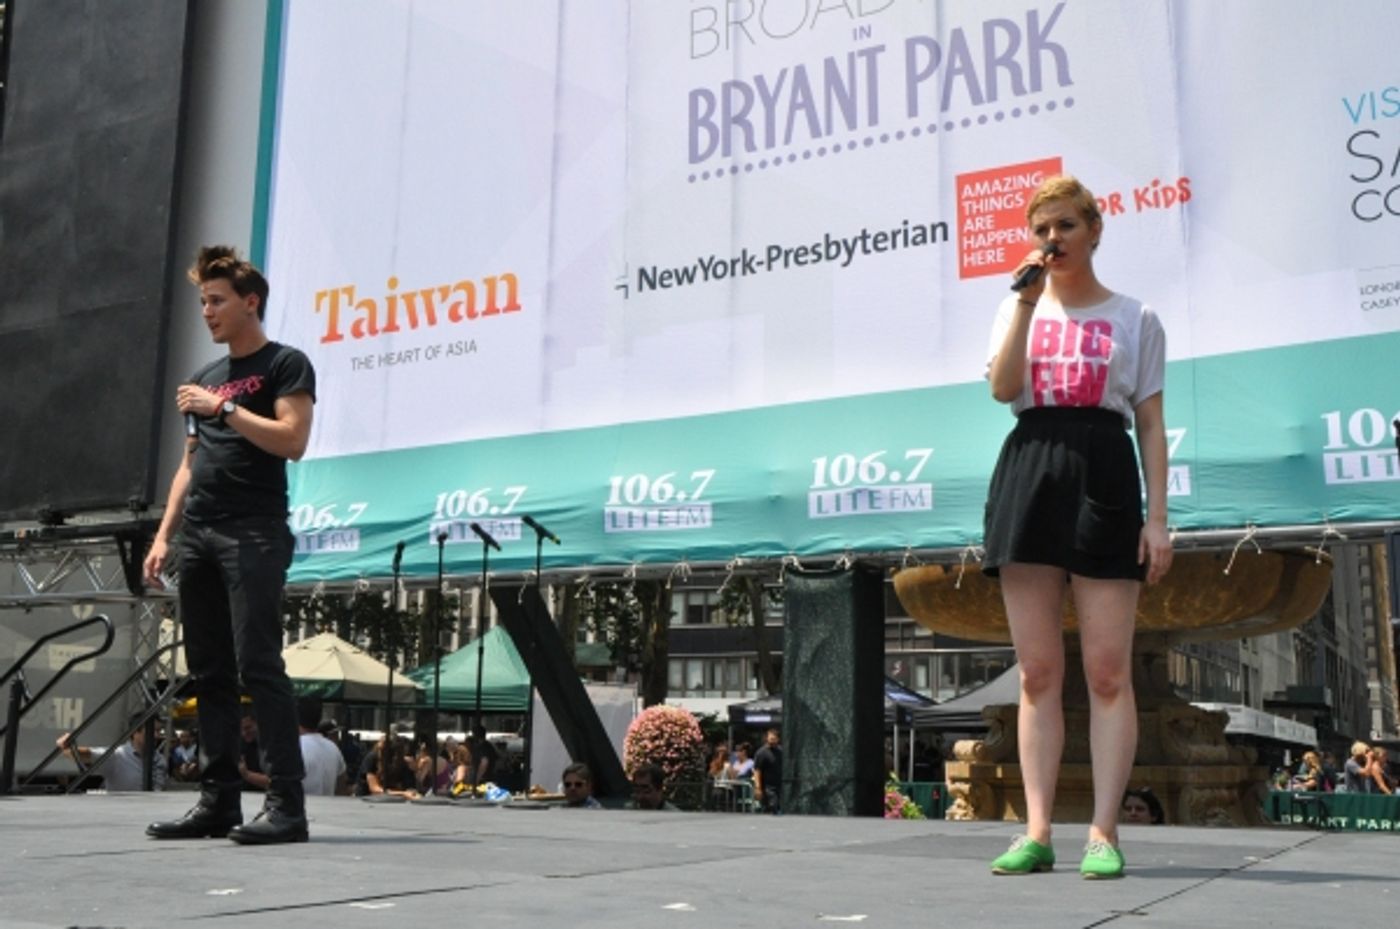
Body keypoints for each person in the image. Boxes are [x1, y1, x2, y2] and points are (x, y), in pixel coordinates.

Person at [983, 176, 1171, 880]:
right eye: (1041, 230)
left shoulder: (1135, 316)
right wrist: (1027, 302)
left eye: (1064, 226)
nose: (1051, 240)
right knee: (1036, 671)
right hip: (1031, 465)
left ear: (1093, 229)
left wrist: (1158, 518)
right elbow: (1004, 389)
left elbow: (1150, 422)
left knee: (1107, 669)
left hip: (1106, 466)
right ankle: (1035, 829)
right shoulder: (1016, 307)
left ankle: (1103, 829)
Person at [144, 245, 316, 845]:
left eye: (217, 301)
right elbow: (189, 466)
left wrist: (226, 408)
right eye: (202, 302)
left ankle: (287, 808)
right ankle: (218, 802)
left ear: (251, 302)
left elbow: (292, 440)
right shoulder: (202, 379)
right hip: (199, 536)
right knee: (209, 672)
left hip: (254, 532)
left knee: (259, 665)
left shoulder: (284, 365)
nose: (207, 312)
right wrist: (165, 534)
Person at [57, 714, 168, 792]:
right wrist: (67, 746)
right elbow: (85, 754)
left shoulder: (160, 760)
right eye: (152, 731)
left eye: (159, 731)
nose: (157, 736)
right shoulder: (118, 756)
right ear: (135, 732)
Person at [297, 699, 347, 797]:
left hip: (300, 809)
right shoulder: (334, 749)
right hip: (328, 809)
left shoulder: (295, 747)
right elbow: (342, 785)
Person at [356, 733, 420, 799]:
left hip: (393, 800)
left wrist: (414, 771)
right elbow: (375, 789)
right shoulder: (372, 759)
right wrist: (402, 794)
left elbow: (409, 787)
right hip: (367, 799)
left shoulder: (402, 763)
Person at [752, 728, 783, 814]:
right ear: (767, 739)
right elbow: (757, 770)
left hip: (780, 785)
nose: (772, 741)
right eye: (770, 739)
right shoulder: (761, 753)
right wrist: (758, 788)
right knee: (773, 805)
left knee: (779, 807)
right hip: (768, 787)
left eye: (774, 739)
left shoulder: (781, 751)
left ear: (778, 739)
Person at [238, 714, 268, 791]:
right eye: (240, 729)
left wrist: (247, 775)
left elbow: (275, 782)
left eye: (248, 728)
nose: (244, 733)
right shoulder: (240, 745)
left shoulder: (268, 746)